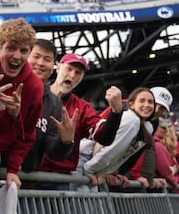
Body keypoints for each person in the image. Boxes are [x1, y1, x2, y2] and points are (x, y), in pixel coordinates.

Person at [39, 53, 123, 189]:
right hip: (23, 172)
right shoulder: (35, 93)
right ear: (58, 68)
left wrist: (116, 112)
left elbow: (104, 137)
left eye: (78, 72)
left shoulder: (82, 108)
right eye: (69, 69)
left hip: (57, 179)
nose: (72, 75)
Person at [0, 18, 44, 188]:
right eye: (11, 48)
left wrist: (13, 169)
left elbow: (26, 135)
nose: (17, 56)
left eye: (24, 50)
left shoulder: (34, 86)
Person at [21, 38, 78, 175]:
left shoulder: (54, 102)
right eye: (36, 56)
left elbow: (54, 153)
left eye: (47, 59)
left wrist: (65, 141)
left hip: (27, 182)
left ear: (53, 66)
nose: (40, 63)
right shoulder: (7, 87)